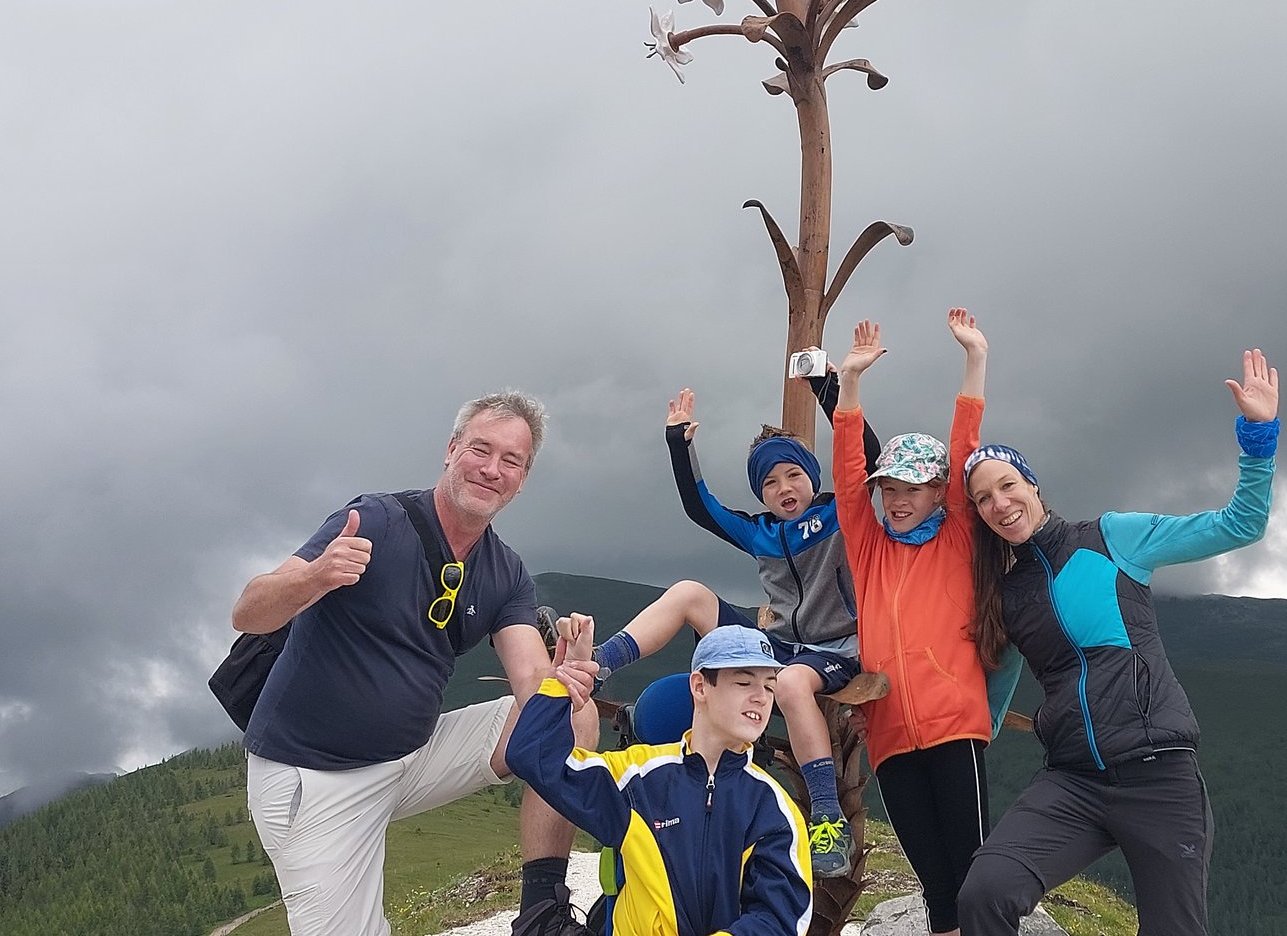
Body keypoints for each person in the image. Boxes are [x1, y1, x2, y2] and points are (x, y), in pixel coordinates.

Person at [230, 391, 597, 936]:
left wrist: (561, 682)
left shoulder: (505, 572)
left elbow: (530, 680)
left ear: (523, 479)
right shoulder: (376, 521)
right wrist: (314, 577)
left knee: (572, 715)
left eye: (511, 460)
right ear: (451, 450)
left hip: (412, 759)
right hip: (316, 776)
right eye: (480, 449)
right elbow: (248, 612)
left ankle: (541, 912)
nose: (492, 469)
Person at [954, 350, 1282, 936]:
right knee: (986, 893)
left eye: (1007, 486)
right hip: (1072, 780)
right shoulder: (1006, 593)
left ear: (1032, 485)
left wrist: (1259, 436)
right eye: (983, 498)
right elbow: (992, 699)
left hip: (1159, 777)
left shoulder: (1111, 539)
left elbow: (1241, 524)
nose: (1000, 504)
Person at [597, 378, 876, 876]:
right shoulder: (759, 531)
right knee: (690, 593)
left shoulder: (840, 512)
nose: (784, 488)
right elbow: (699, 506)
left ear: (813, 477)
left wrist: (827, 388)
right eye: (770, 483)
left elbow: (868, 458)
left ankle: (827, 819)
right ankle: (598, 664)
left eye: (793, 475)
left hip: (837, 649)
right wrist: (679, 444)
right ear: (760, 493)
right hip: (779, 645)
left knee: (791, 683)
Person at [829, 310, 994, 936]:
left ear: (939, 491)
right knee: (935, 883)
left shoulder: (958, 536)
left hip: (955, 729)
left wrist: (974, 360)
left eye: (914, 488)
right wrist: (849, 384)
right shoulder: (868, 547)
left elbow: (966, 449)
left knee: (973, 874)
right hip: (890, 736)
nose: (897, 500)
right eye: (890, 488)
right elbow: (848, 480)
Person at [509, 619, 814, 936]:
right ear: (700, 687)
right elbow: (533, 755)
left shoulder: (775, 810)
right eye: (744, 682)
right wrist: (565, 679)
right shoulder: (635, 777)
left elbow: (778, 921)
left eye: (769, 686)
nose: (761, 698)